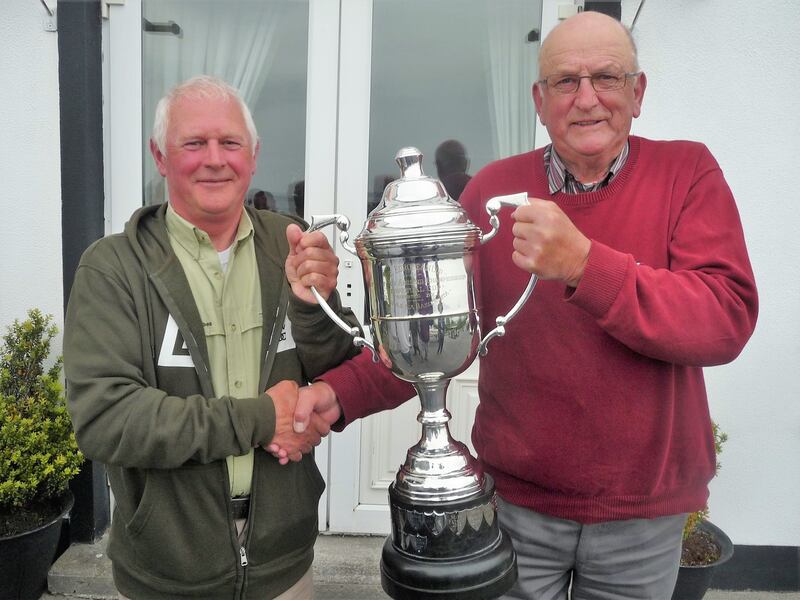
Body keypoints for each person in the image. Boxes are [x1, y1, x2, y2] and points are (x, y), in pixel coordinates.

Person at [276, 11, 758, 599]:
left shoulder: (687, 172)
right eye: (565, 81)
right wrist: (335, 396)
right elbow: (434, 338)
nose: (587, 99)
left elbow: (723, 319)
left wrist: (585, 264)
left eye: (607, 77)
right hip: (515, 506)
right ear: (538, 99)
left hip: (642, 515)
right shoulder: (494, 194)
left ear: (638, 92)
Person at [63, 75, 360, 600]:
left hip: (285, 567)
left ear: (254, 154)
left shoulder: (287, 244)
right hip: (167, 574)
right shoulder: (114, 267)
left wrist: (314, 305)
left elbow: (341, 374)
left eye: (230, 143)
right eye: (194, 143)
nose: (214, 159)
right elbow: (106, 418)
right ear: (160, 156)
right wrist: (260, 418)